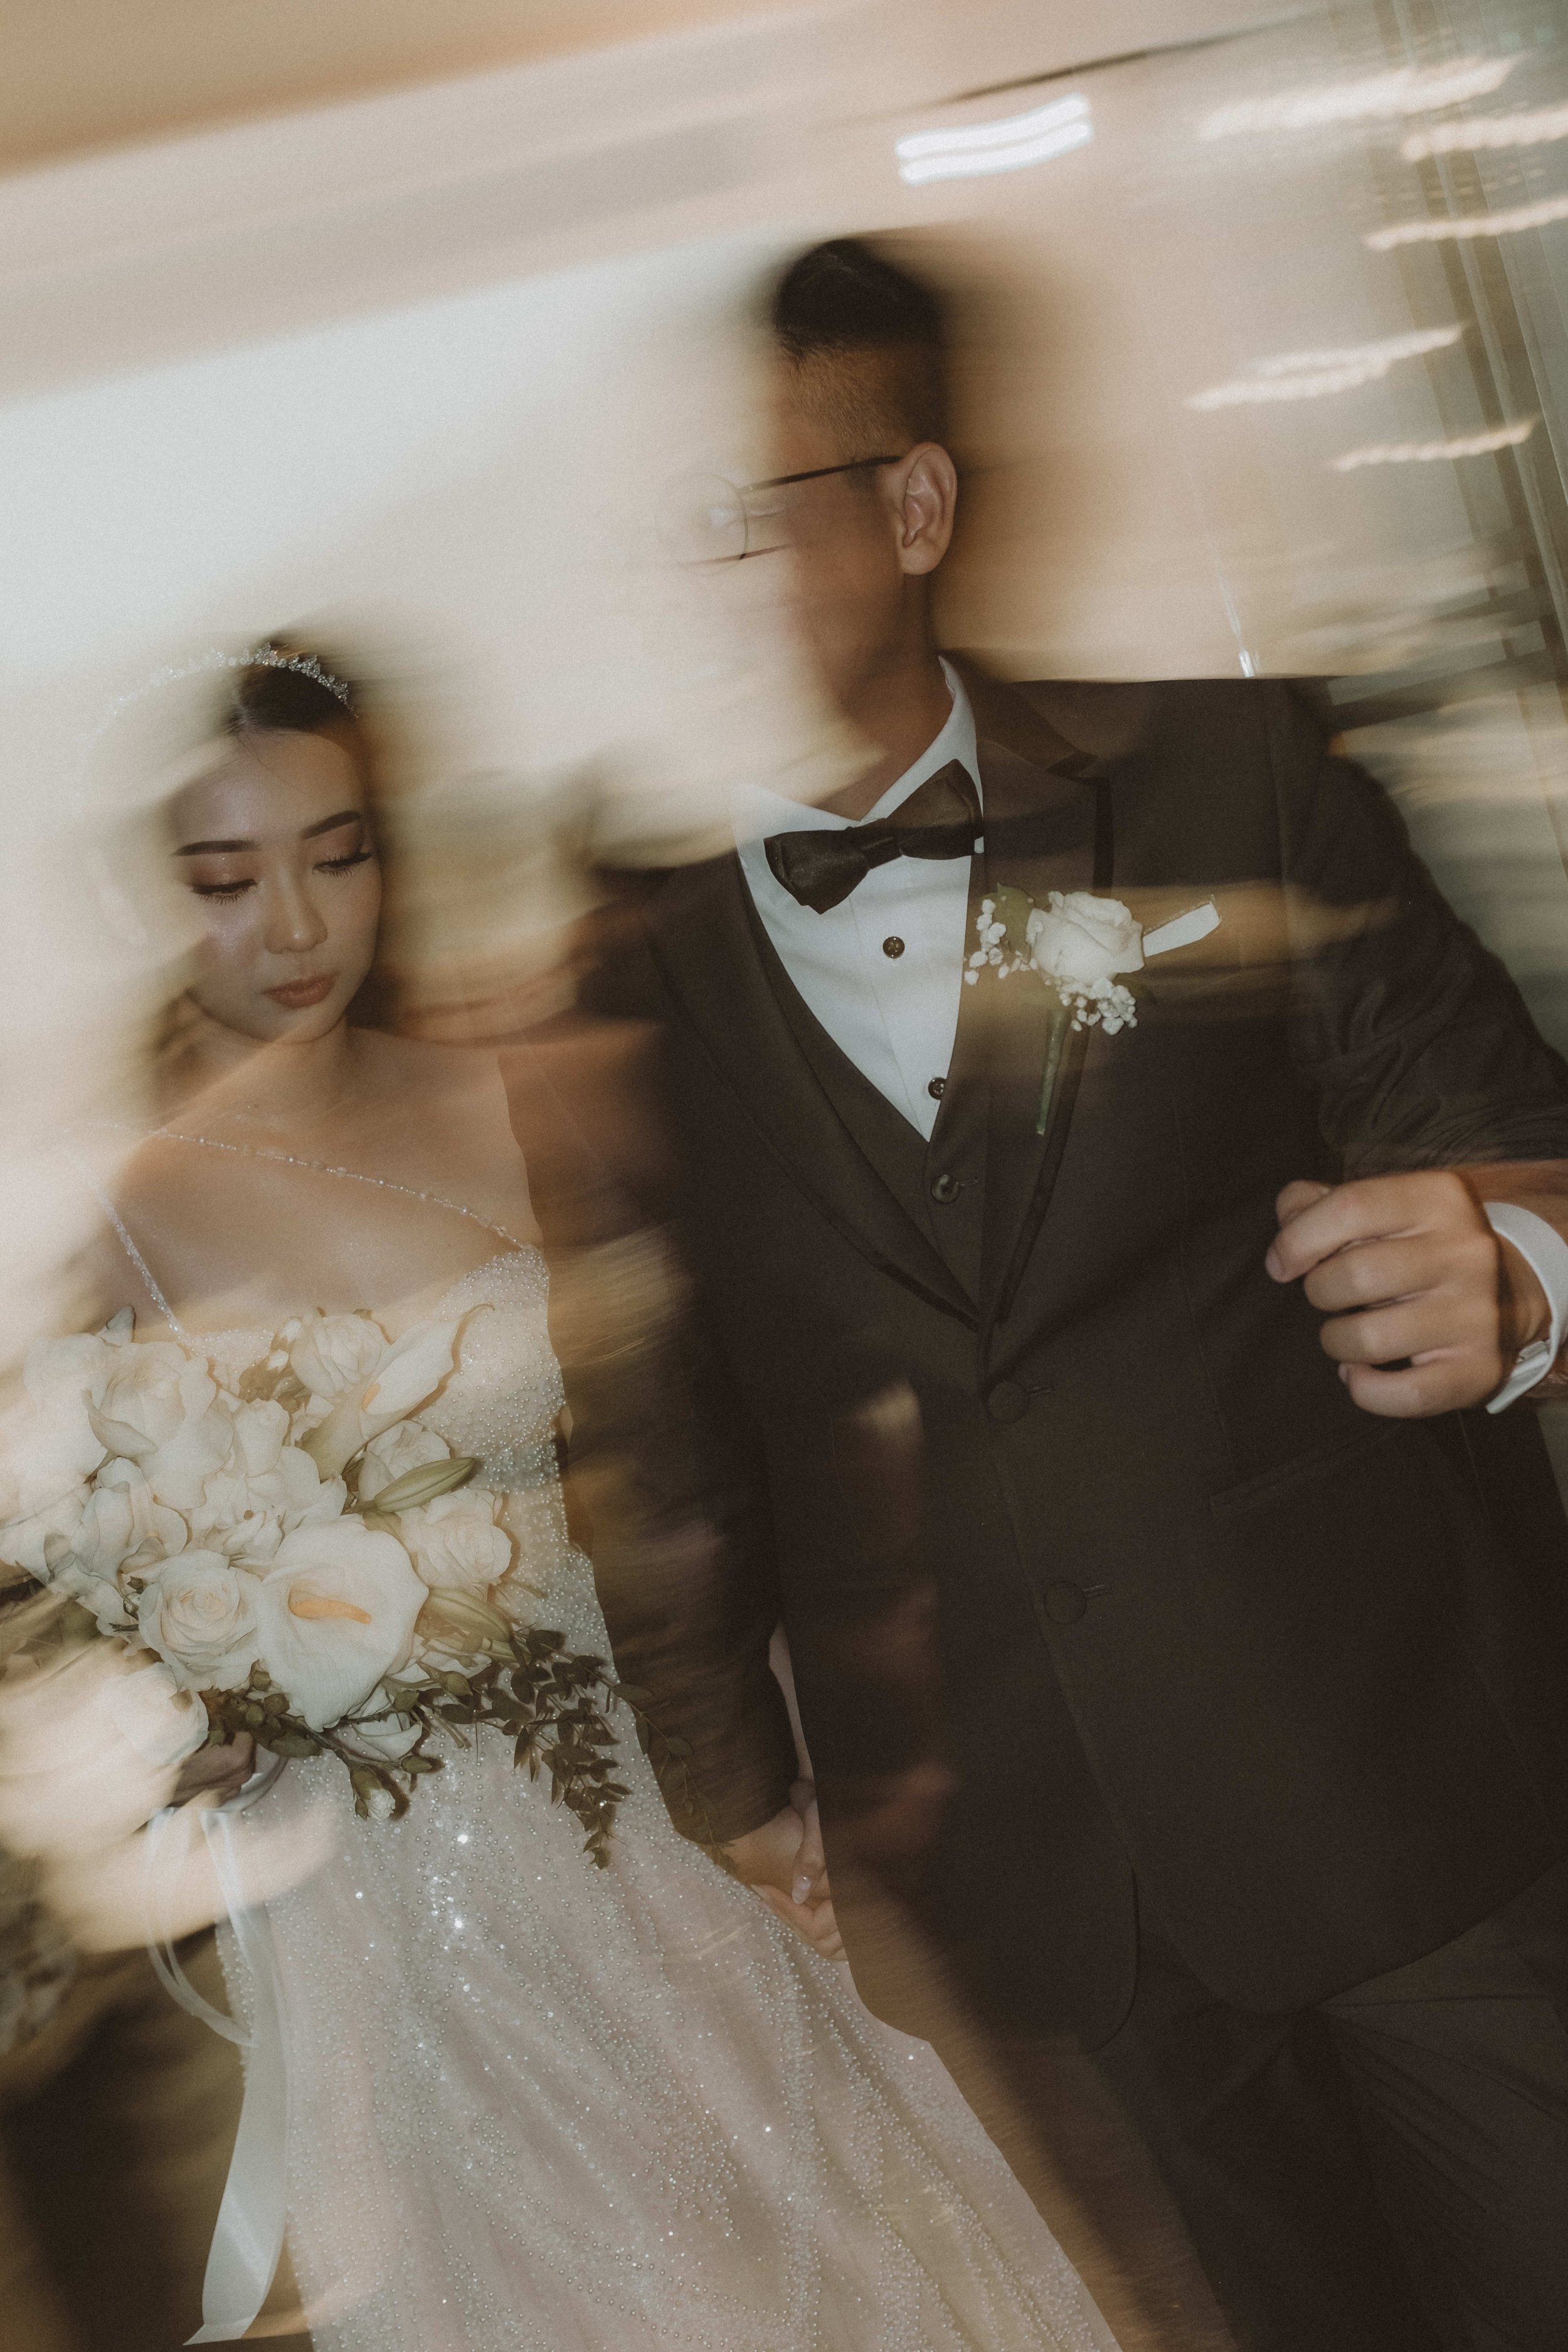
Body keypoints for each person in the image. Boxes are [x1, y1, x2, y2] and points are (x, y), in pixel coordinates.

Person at [504, 240, 1568, 2352]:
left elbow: (1497, 1128)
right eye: (651, 538)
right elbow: (651, 1420)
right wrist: (733, 1783)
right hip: (1020, 1869)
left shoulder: (1231, 782)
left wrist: (1516, 1273)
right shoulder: (620, 976)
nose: (683, 586)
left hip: (1397, 1772)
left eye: (736, 518)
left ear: (912, 506)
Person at [51, 644, 1121, 2352]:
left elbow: (716, 1471)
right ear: (165, 900)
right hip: (391, 1915)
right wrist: (197, 1705)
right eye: (229, 880)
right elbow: (104, 1603)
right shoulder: (134, 1224)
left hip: (655, 1820)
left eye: (337, 855)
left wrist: (788, 1763)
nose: (299, 926)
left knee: (818, 2262)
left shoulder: (547, 1100)